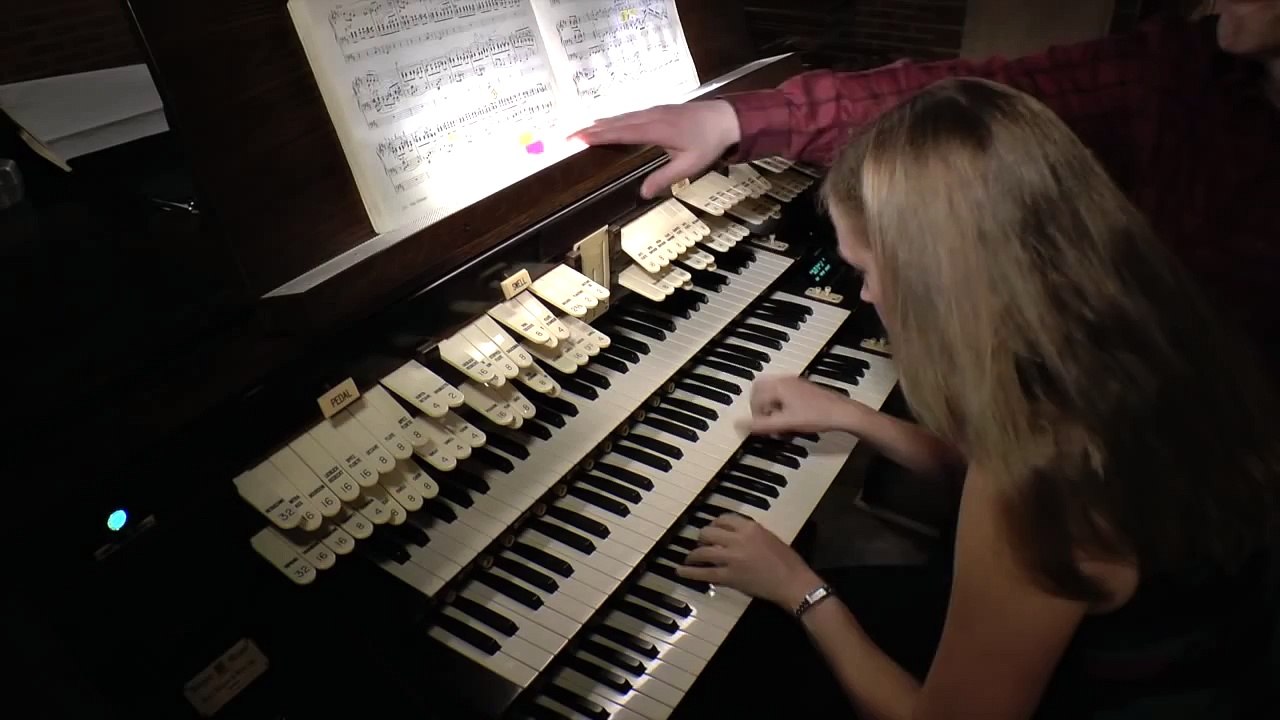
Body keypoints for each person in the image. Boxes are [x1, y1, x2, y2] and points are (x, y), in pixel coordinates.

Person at [658, 77, 1280, 719]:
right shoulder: (1140, 329)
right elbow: (990, 472)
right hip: (1190, 654)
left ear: (940, 282)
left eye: (867, 271)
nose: (866, 296)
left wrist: (800, 590)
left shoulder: (1045, 471)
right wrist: (854, 417)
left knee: (740, 658)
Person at [572, 2, 1280, 369]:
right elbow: (983, 95)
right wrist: (737, 114)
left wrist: (808, 599)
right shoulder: (1195, 63)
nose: (873, 293)